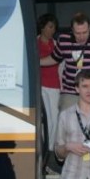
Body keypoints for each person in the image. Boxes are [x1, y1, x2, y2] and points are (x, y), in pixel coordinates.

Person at [37, 13, 61, 151]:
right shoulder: (34, 44)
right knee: (46, 121)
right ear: (42, 27)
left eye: (54, 27)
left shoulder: (57, 45)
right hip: (40, 86)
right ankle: (44, 148)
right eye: (50, 27)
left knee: (56, 120)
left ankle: (51, 150)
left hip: (56, 87)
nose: (53, 30)